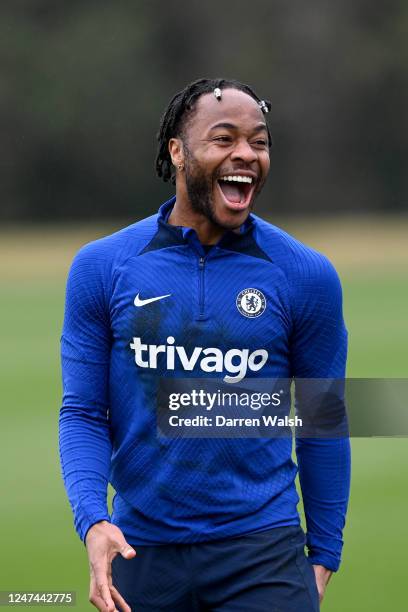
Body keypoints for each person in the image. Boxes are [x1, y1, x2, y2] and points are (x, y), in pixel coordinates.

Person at [59, 78, 350, 612]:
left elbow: (322, 418)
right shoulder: (103, 267)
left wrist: (324, 553)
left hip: (263, 554)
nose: (245, 153)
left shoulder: (305, 276)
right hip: (138, 553)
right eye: (224, 139)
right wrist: (92, 519)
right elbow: (82, 411)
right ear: (177, 152)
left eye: (258, 142)